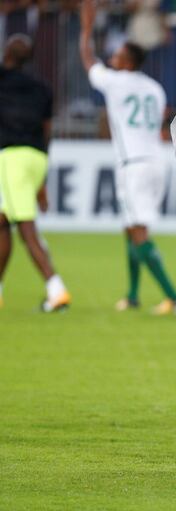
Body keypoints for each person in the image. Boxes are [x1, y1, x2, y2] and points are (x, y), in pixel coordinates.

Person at [80, 0, 176, 315]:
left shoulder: (115, 82)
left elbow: (88, 61)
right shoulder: (154, 89)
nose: (112, 59)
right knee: (131, 227)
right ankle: (133, 294)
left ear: (127, 62)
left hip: (133, 165)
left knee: (138, 231)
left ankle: (173, 298)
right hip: (156, 160)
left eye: (117, 55)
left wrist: (86, 29)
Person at [0, 34, 71, 312]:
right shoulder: (42, 88)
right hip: (37, 157)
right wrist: (41, 178)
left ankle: (56, 289)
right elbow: (47, 130)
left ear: (6, 53)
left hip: (11, 157)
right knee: (3, 222)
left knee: (25, 227)